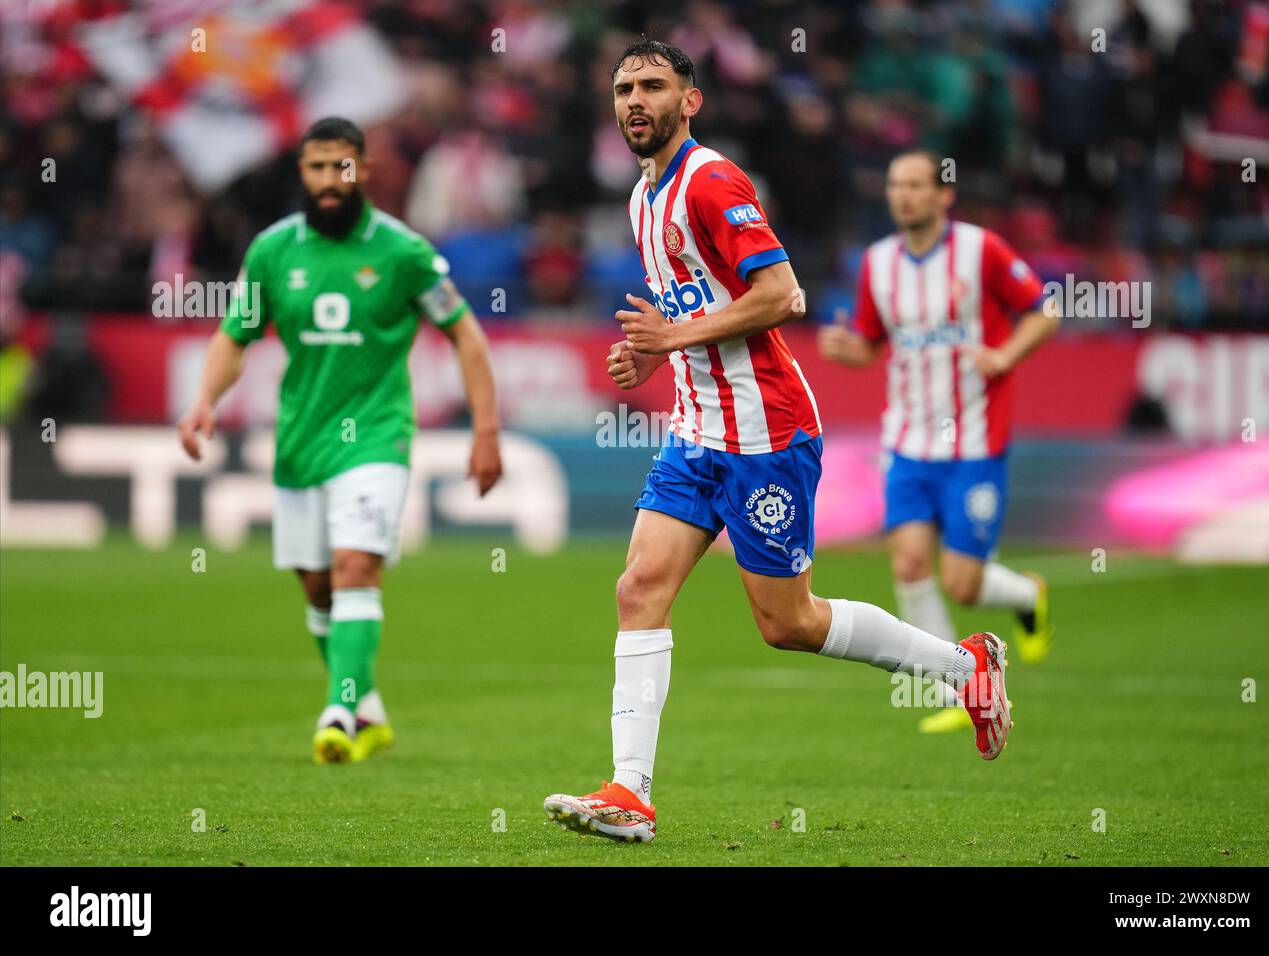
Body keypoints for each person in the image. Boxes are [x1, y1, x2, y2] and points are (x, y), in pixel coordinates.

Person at [543, 42, 1011, 845]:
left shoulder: (711, 181)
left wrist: (674, 334)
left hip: (767, 434)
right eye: (623, 89)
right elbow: (694, 312)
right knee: (637, 590)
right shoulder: (641, 199)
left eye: (653, 86)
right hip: (696, 433)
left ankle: (967, 669)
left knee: (787, 623)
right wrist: (650, 350)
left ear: (690, 101)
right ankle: (630, 792)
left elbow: (781, 293)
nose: (634, 101)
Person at [178, 117, 502, 764]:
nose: (331, 180)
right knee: (318, 587)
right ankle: (368, 707)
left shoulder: (403, 252)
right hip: (301, 440)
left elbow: (465, 333)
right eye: (318, 167)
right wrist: (204, 402)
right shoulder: (273, 250)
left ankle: (337, 709)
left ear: (364, 169)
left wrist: (485, 429)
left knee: (357, 567)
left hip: (376, 437)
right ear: (302, 172)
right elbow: (235, 336)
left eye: (342, 166)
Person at [819, 149, 1057, 736]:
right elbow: (873, 343)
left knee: (963, 583)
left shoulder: (982, 251)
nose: (903, 195)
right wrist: (846, 349)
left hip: (974, 442)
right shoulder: (877, 263)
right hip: (906, 441)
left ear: (943, 194)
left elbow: (1043, 311)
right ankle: (962, 684)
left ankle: (1026, 595)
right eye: (895, 184)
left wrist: (1003, 355)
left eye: (915, 185)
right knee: (908, 562)